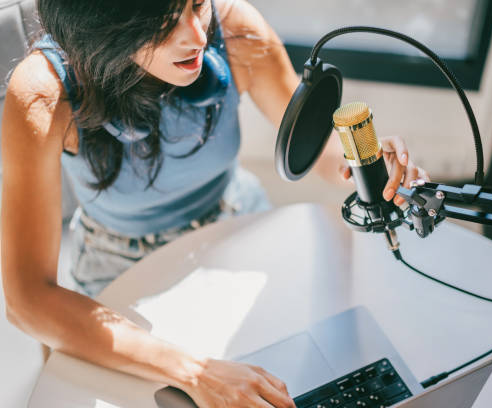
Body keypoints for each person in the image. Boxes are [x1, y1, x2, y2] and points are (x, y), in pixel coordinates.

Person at [1, 0, 429, 406]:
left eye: (198, 4)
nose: (197, 35)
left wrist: (369, 162)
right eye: (165, 21)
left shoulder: (237, 30)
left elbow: (319, 151)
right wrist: (196, 372)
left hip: (235, 221)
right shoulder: (41, 91)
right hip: (117, 262)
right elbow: (28, 300)